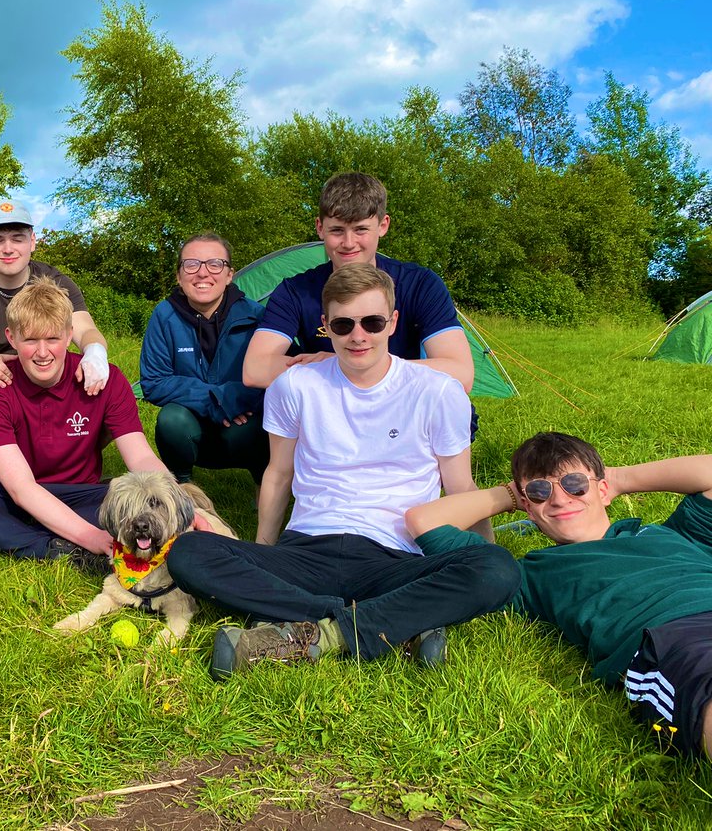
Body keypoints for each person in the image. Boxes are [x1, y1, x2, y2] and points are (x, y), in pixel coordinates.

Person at [166, 264, 517, 680]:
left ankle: (312, 632)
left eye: (372, 322)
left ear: (393, 323)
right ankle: (394, 625)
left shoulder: (438, 392)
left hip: (394, 556)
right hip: (307, 548)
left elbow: (461, 486)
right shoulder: (295, 385)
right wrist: (266, 553)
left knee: (498, 568)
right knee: (188, 552)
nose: (358, 335)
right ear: (325, 327)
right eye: (343, 323)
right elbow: (278, 475)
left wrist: (481, 555)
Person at [406, 432, 712, 760]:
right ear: (527, 506)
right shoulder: (532, 575)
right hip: (673, 639)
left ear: (603, 489)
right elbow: (424, 520)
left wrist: (620, 478)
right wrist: (509, 495)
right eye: (540, 491)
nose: (560, 499)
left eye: (575, 484)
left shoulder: (674, 533)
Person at [0, 278, 170, 570]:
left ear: (70, 335)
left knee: (131, 500)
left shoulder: (107, 379)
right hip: (13, 496)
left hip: (81, 494)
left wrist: (183, 504)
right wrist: (90, 537)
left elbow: (141, 456)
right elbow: (21, 488)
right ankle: (52, 547)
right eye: (30, 340)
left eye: (53, 339)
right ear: (12, 337)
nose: (42, 353)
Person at [242, 172, 474, 393]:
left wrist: (347, 364)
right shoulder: (296, 291)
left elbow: (461, 373)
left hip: (403, 405)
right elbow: (255, 370)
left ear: (383, 226)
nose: (349, 243)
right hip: (329, 409)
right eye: (337, 231)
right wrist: (331, 368)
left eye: (361, 229)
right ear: (320, 228)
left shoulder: (421, 285)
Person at [0, 196, 110, 477]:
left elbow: (86, 330)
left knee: (109, 397)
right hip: (3, 377)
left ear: (32, 241)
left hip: (52, 371)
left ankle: (75, 464)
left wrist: (95, 352)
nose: (8, 248)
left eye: (17, 238)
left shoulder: (59, 281)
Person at [139, 233, 268, 486]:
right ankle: (183, 488)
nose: (202, 273)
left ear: (230, 274)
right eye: (191, 264)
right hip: (192, 425)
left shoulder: (256, 316)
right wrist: (216, 399)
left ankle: (265, 482)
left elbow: (282, 374)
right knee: (171, 419)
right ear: (178, 275)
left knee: (269, 419)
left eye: (215, 264)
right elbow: (153, 381)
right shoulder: (164, 315)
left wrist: (239, 398)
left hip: (244, 424)